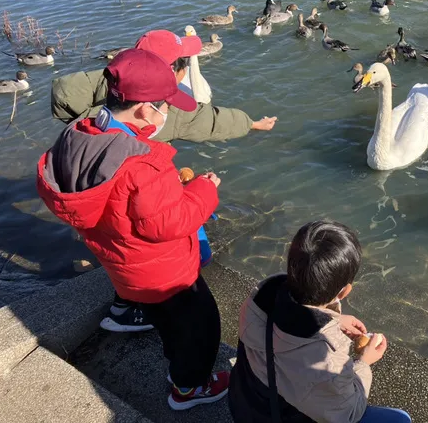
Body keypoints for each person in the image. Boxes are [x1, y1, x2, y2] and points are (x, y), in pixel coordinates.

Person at [37, 48, 229, 411]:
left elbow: (123, 208)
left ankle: (180, 369)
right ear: (145, 110)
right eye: (166, 105)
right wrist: (204, 190)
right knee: (201, 329)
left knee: (170, 326)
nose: (168, 113)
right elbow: (169, 223)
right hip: (167, 275)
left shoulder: (76, 137)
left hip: (128, 272)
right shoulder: (143, 166)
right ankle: (188, 389)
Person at [53, 29, 276, 332]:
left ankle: (126, 302)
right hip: (146, 255)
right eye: (182, 65)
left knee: (119, 240)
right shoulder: (150, 131)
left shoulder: (96, 115)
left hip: (101, 214)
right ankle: (143, 314)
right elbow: (206, 122)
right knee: (179, 292)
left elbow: (63, 93)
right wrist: (204, 189)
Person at [228, 220, 412, 423]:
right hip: (281, 416)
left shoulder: (262, 294)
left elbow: (290, 320)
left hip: (245, 405)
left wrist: (334, 318)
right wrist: (364, 363)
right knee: (400, 419)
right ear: (345, 291)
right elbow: (347, 413)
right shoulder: (324, 361)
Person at [50, 29, 277, 143]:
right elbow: (212, 122)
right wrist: (253, 124)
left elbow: (64, 90)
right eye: (183, 64)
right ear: (172, 73)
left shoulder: (109, 77)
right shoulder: (169, 112)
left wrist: (83, 121)